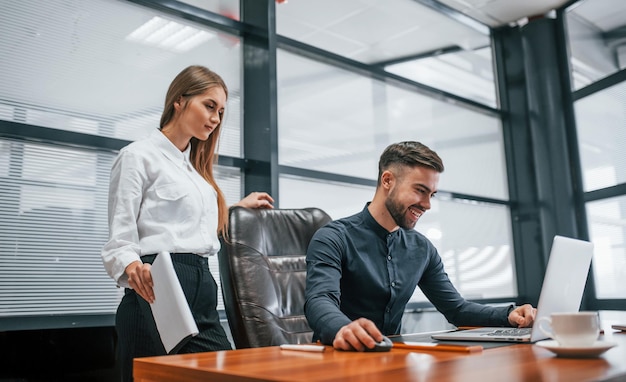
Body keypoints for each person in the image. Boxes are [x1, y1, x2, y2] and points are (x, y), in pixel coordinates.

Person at [101, 65, 274, 381]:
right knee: (221, 375)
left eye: (221, 111)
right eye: (209, 106)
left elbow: (184, 222)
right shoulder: (138, 156)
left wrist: (236, 207)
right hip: (160, 282)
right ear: (179, 100)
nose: (216, 119)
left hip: (201, 283)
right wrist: (131, 266)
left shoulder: (195, 172)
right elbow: (121, 233)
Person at [304, 141, 536, 351]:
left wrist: (509, 315)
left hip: (391, 358)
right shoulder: (333, 237)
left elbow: (456, 309)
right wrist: (343, 328)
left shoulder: (422, 249)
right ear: (387, 181)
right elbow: (319, 300)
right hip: (338, 357)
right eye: (420, 191)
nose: (427, 205)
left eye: (432, 195)